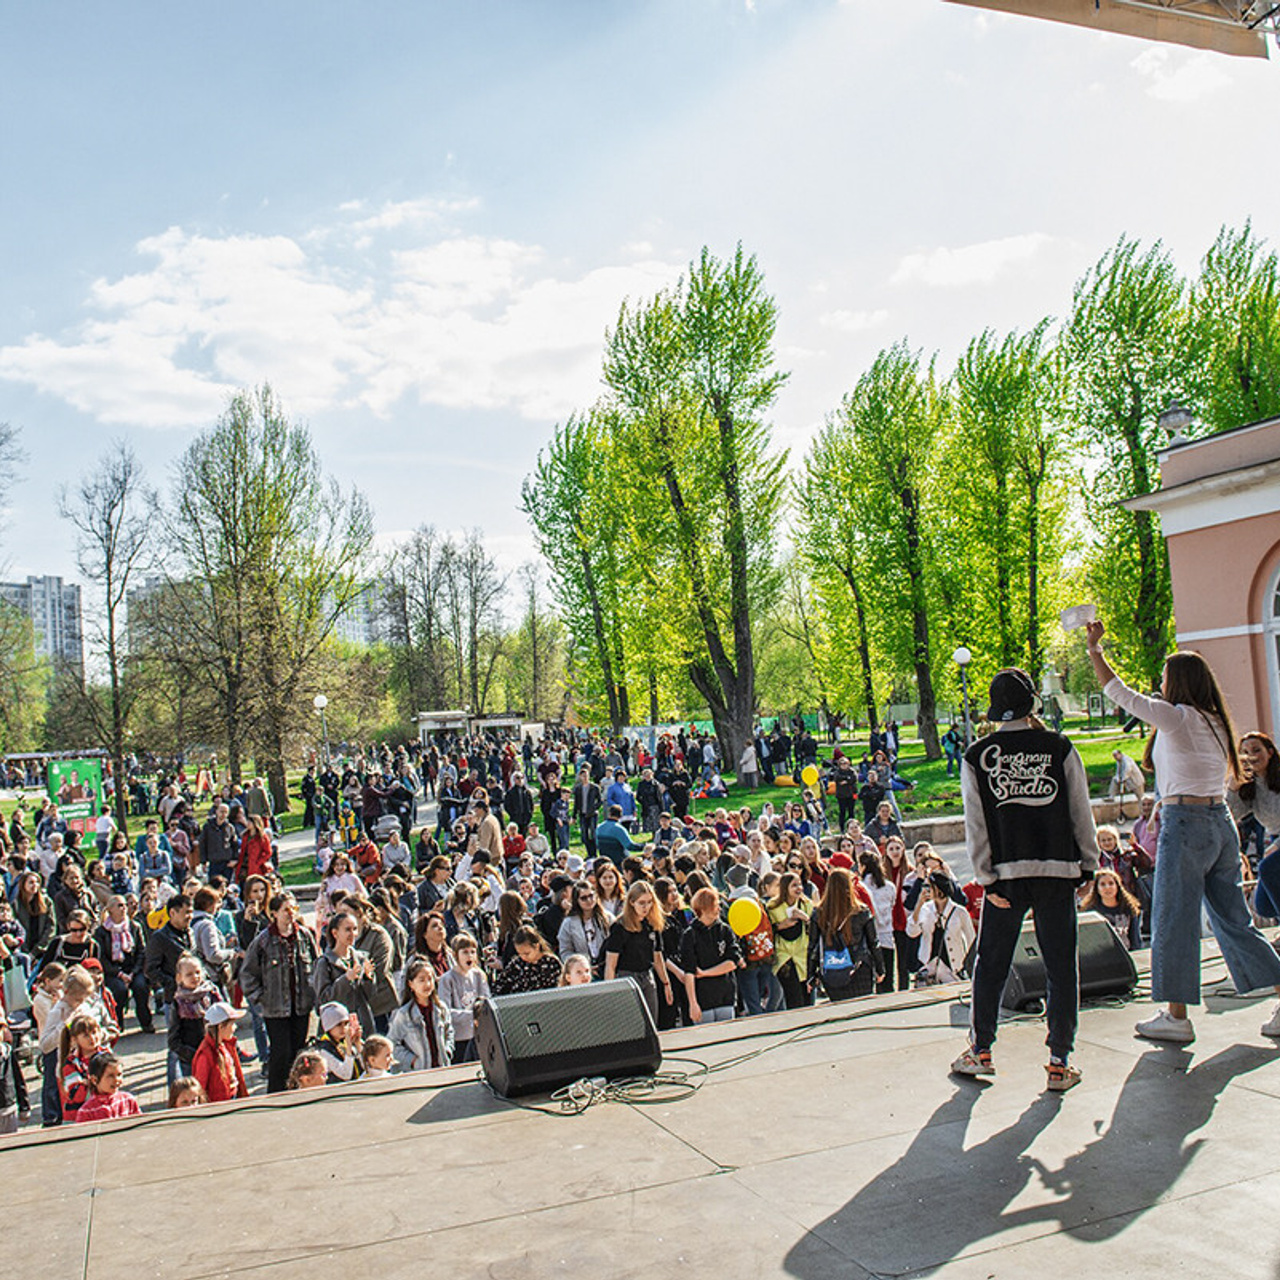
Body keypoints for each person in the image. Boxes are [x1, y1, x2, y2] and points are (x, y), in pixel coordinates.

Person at [1086, 620, 1280, 1044]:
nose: (1159, 684)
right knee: (1234, 919)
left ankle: (1176, 1016)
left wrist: (1095, 650)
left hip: (1186, 824)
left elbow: (1118, 692)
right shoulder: (1215, 720)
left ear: (1178, 684)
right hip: (1218, 824)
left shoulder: (1176, 718)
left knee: (1173, 919)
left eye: (1164, 678)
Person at [953, 667, 1098, 1092]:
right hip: (1057, 871)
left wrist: (986, 880)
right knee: (1060, 965)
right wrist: (1087, 865)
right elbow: (1080, 810)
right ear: (1034, 702)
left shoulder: (977, 757)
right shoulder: (1059, 747)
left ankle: (980, 1050)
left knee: (992, 963)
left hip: (1007, 878)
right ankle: (1058, 1061)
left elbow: (975, 826)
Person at [239, 892, 320, 1094]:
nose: (291, 914)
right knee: (280, 1053)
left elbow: (317, 966)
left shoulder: (304, 936)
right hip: (275, 1009)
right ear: (274, 913)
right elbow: (248, 974)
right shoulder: (263, 941)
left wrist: (313, 996)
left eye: (293, 909)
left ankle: (298, 1090)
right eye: (286, 910)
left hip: (300, 1006)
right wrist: (261, 999)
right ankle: (276, 1093)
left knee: (299, 1052)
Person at [808, 868, 882, 1002]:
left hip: (832, 969)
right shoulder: (861, 912)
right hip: (859, 968)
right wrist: (880, 969)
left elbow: (812, 946)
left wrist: (811, 974)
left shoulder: (819, 913)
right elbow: (874, 942)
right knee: (861, 1009)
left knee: (839, 1010)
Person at [604, 882, 672, 1024]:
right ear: (632, 902)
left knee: (651, 1020)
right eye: (641, 903)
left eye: (649, 902)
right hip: (627, 976)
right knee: (632, 1023)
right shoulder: (620, 927)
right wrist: (609, 992)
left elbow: (658, 957)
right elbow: (611, 964)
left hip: (647, 975)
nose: (645, 907)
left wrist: (666, 983)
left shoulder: (652, 924)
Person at [1228, 731, 1280, 918]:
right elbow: (1231, 814)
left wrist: (1276, 845)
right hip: (1274, 840)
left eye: (1256, 750)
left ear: (1270, 752)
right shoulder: (1251, 786)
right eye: (1245, 752)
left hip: (1277, 843)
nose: (1251, 756)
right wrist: (1233, 787)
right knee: (1264, 907)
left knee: (1267, 868)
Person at [679, 887, 741, 1024]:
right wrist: (693, 1003)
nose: (718, 909)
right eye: (715, 906)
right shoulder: (690, 935)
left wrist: (705, 973)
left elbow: (732, 962)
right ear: (703, 909)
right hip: (703, 999)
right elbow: (689, 971)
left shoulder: (724, 930)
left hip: (725, 996)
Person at [908, 872, 976, 984]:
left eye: (929, 886)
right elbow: (912, 932)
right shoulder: (925, 909)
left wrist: (969, 966)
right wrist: (918, 905)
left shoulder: (959, 912)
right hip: (929, 966)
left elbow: (971, 940)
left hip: (953, 966)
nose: (926, 890)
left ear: (938, 889)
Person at [388, 956, 455, 1071]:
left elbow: (449, 1032)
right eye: (421, 980)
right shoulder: (404, 1014)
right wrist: (412, 1060)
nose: (427, 984)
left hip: (442, 1069)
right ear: (411, 984)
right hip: (419, 1073)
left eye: (430, 979)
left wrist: (447, 1050)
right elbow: (392, 1044)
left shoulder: (441, 1008)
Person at [437, 934, 489, 1065]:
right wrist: (472, 1015)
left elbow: (486, 1001)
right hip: (458, 1038)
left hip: (478, 1036)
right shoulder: (447, 979)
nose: (470, 956)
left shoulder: (479, 975)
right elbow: (445, 1011)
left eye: (472, 952)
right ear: (455, 955)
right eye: (465, 952)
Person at [190, 1001, 250, 1103]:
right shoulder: (205, 1055)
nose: (235, 1028)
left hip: (231, 1099)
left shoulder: (226, 1045)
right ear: (220, 1026)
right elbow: (200, 1091)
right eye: (232, 1024)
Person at [1081, 870, 1143, 952]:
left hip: (1125, 954)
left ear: (1117, 886)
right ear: (1097, 889)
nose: (1107, 887)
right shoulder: (1091, 911)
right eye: (1102, 884)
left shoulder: (1129, 908)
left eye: (1111, 883)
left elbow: (1135, 938)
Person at [557, 880, 610, 976]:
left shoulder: (607, 918)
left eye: (591, 896)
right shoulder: (568, 923)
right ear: (576, 901)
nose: (589, 900)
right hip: (582, 973)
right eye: (584, 898)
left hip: (607, 968)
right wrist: (582, 967)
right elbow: (565, 952)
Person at [74, 1050, 141, 1123]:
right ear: (94, 1080)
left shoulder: (128, 1100)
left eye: (119, 1075)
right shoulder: (86, 1111)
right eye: (110, 1076)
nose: (116, 1080)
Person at [492, 926, 562, 993]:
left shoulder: (551, 963)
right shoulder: (517, 964)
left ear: (537, 946)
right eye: (519, 953)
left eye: (527, 953)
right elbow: (499, 986)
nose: (523, 957)